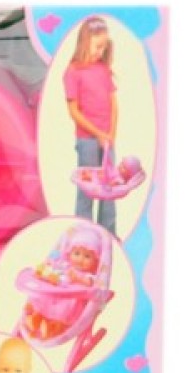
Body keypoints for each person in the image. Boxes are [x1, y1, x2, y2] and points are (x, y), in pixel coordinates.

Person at [64, 16, 118, 234]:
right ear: (84, 42)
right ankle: (84, 235)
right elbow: (74, 112)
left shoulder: (103, 69)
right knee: (87, 190)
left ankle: (109, 234)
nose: (100, 51)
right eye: (97, 46)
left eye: (103, 47)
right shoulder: (73, 72)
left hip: (107, 140)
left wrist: (111, 134)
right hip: (87, 140)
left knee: (109, 189)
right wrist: (98, 134)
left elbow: (114, 104)